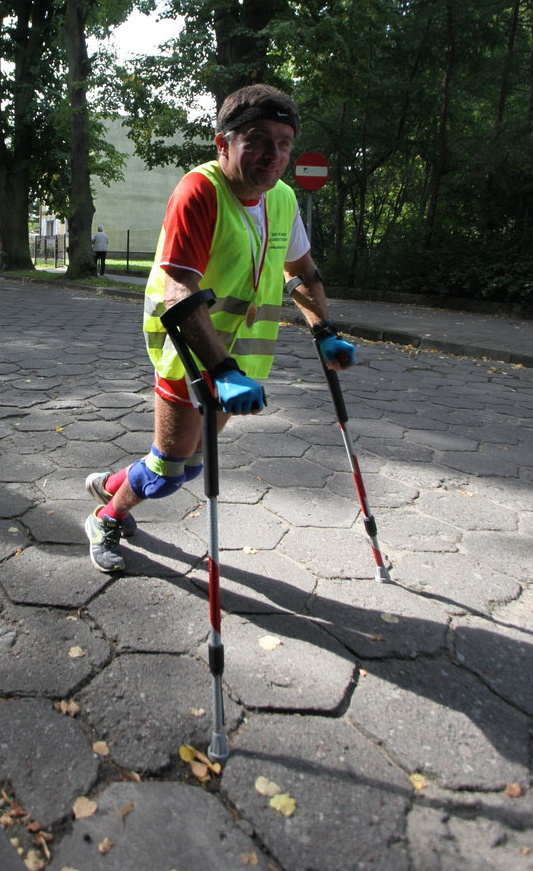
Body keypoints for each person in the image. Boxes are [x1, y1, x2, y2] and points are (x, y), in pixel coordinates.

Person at [84, 83, 355, 572]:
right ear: (223, 143)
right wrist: (222, 370)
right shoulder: (199, 191)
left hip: (241, 364)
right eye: (258, 139)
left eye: (284, 143)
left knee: (190, 464)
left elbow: (302, 271)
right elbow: (179, 290)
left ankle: (111, 481)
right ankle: (105, 516)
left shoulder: (283, 201)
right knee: (169, 470)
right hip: (189, 351)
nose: (274, 154)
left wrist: (324, 329)